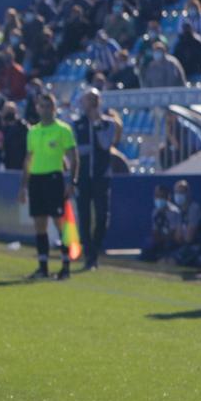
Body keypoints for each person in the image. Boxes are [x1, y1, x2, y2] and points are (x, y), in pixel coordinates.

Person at [24, 90, 77, 281]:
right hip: (36, 180)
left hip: (54, 178)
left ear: (54, 108)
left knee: (60, 222)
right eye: (42, 106)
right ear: (38, 108)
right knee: (40, 224)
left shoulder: (63, 130)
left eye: (48, 106)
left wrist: (72, 181)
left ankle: (65, 266)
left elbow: (73, 156)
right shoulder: (33, 131)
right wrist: (24, 186)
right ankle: (43, 266)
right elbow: (28, 159)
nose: (45, 110)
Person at [71, 90, 120, 270]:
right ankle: (89, 254)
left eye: (93, 100)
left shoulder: (108, 124)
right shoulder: (77, 125)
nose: (89, 104)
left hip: (101, 177)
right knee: (83, 217)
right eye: (87, 100)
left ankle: (95, 249)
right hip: (83, 177)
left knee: (101, 216)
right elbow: (75, 150)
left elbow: (105, 144)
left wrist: (97, 123)